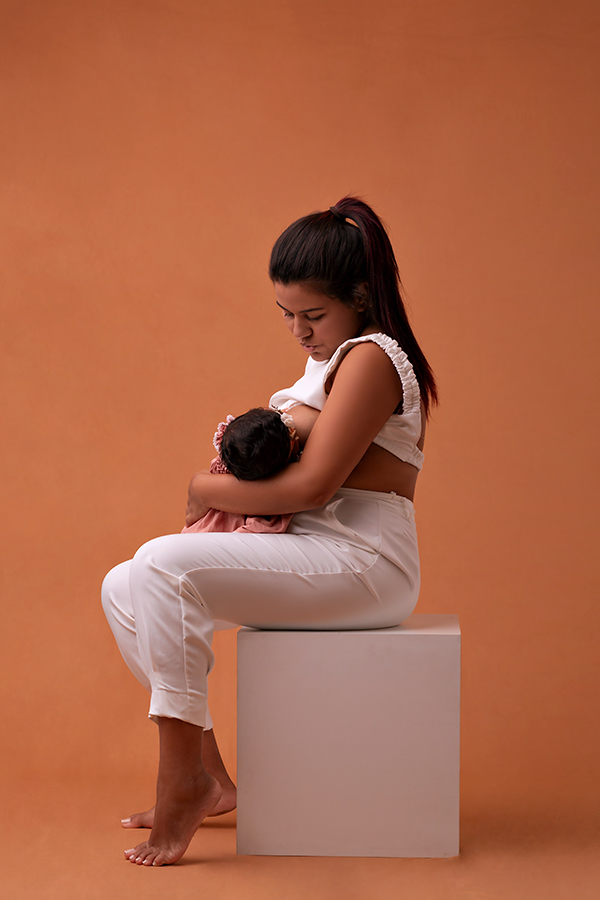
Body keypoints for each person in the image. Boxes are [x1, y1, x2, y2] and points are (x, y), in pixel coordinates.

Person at [101, 196, 438, 866]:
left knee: (160, 563)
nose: (298, 330)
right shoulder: (328, 362)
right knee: (123, 584)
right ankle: (213, 779)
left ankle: (180, 783)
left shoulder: (372, 357)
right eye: (285, 314)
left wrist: (204, 490)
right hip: (314, 549)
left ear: (362, 297)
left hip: (365, 560)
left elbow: (313, 486)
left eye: (312, 315)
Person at [182, 407, 301, 535]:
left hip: (195, 532)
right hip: (207, 537)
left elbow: (191, 517)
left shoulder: (231, 463)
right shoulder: (265, 504)